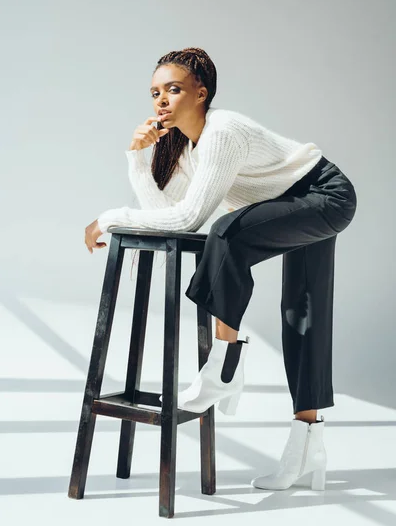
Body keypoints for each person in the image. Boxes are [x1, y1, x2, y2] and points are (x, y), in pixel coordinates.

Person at [84, 47, 357, 492]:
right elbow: (167, 215)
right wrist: (136, 159)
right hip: (292, 204)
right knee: (301, 314)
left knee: (228, 233)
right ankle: (308, 447)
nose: (162, 100)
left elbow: (190, 222)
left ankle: (225, 367)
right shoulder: (192, 152)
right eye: (155, 92)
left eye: (174, 89)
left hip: (326, 194)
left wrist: (109, 217)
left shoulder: (222, 131)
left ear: (201, 92)